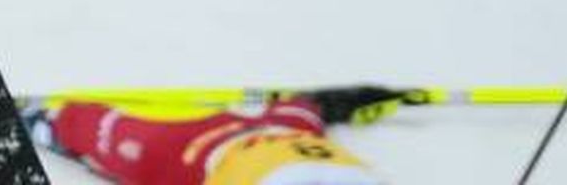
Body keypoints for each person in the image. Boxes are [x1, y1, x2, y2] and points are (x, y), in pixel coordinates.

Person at [31, 89, 403, 182]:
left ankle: (47, 122)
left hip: (260, 146)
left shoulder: (296, 120)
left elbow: (302, 109)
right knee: (121, 141)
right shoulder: (295, 120)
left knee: (117, 139)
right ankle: (47, 122)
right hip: (219, 151)